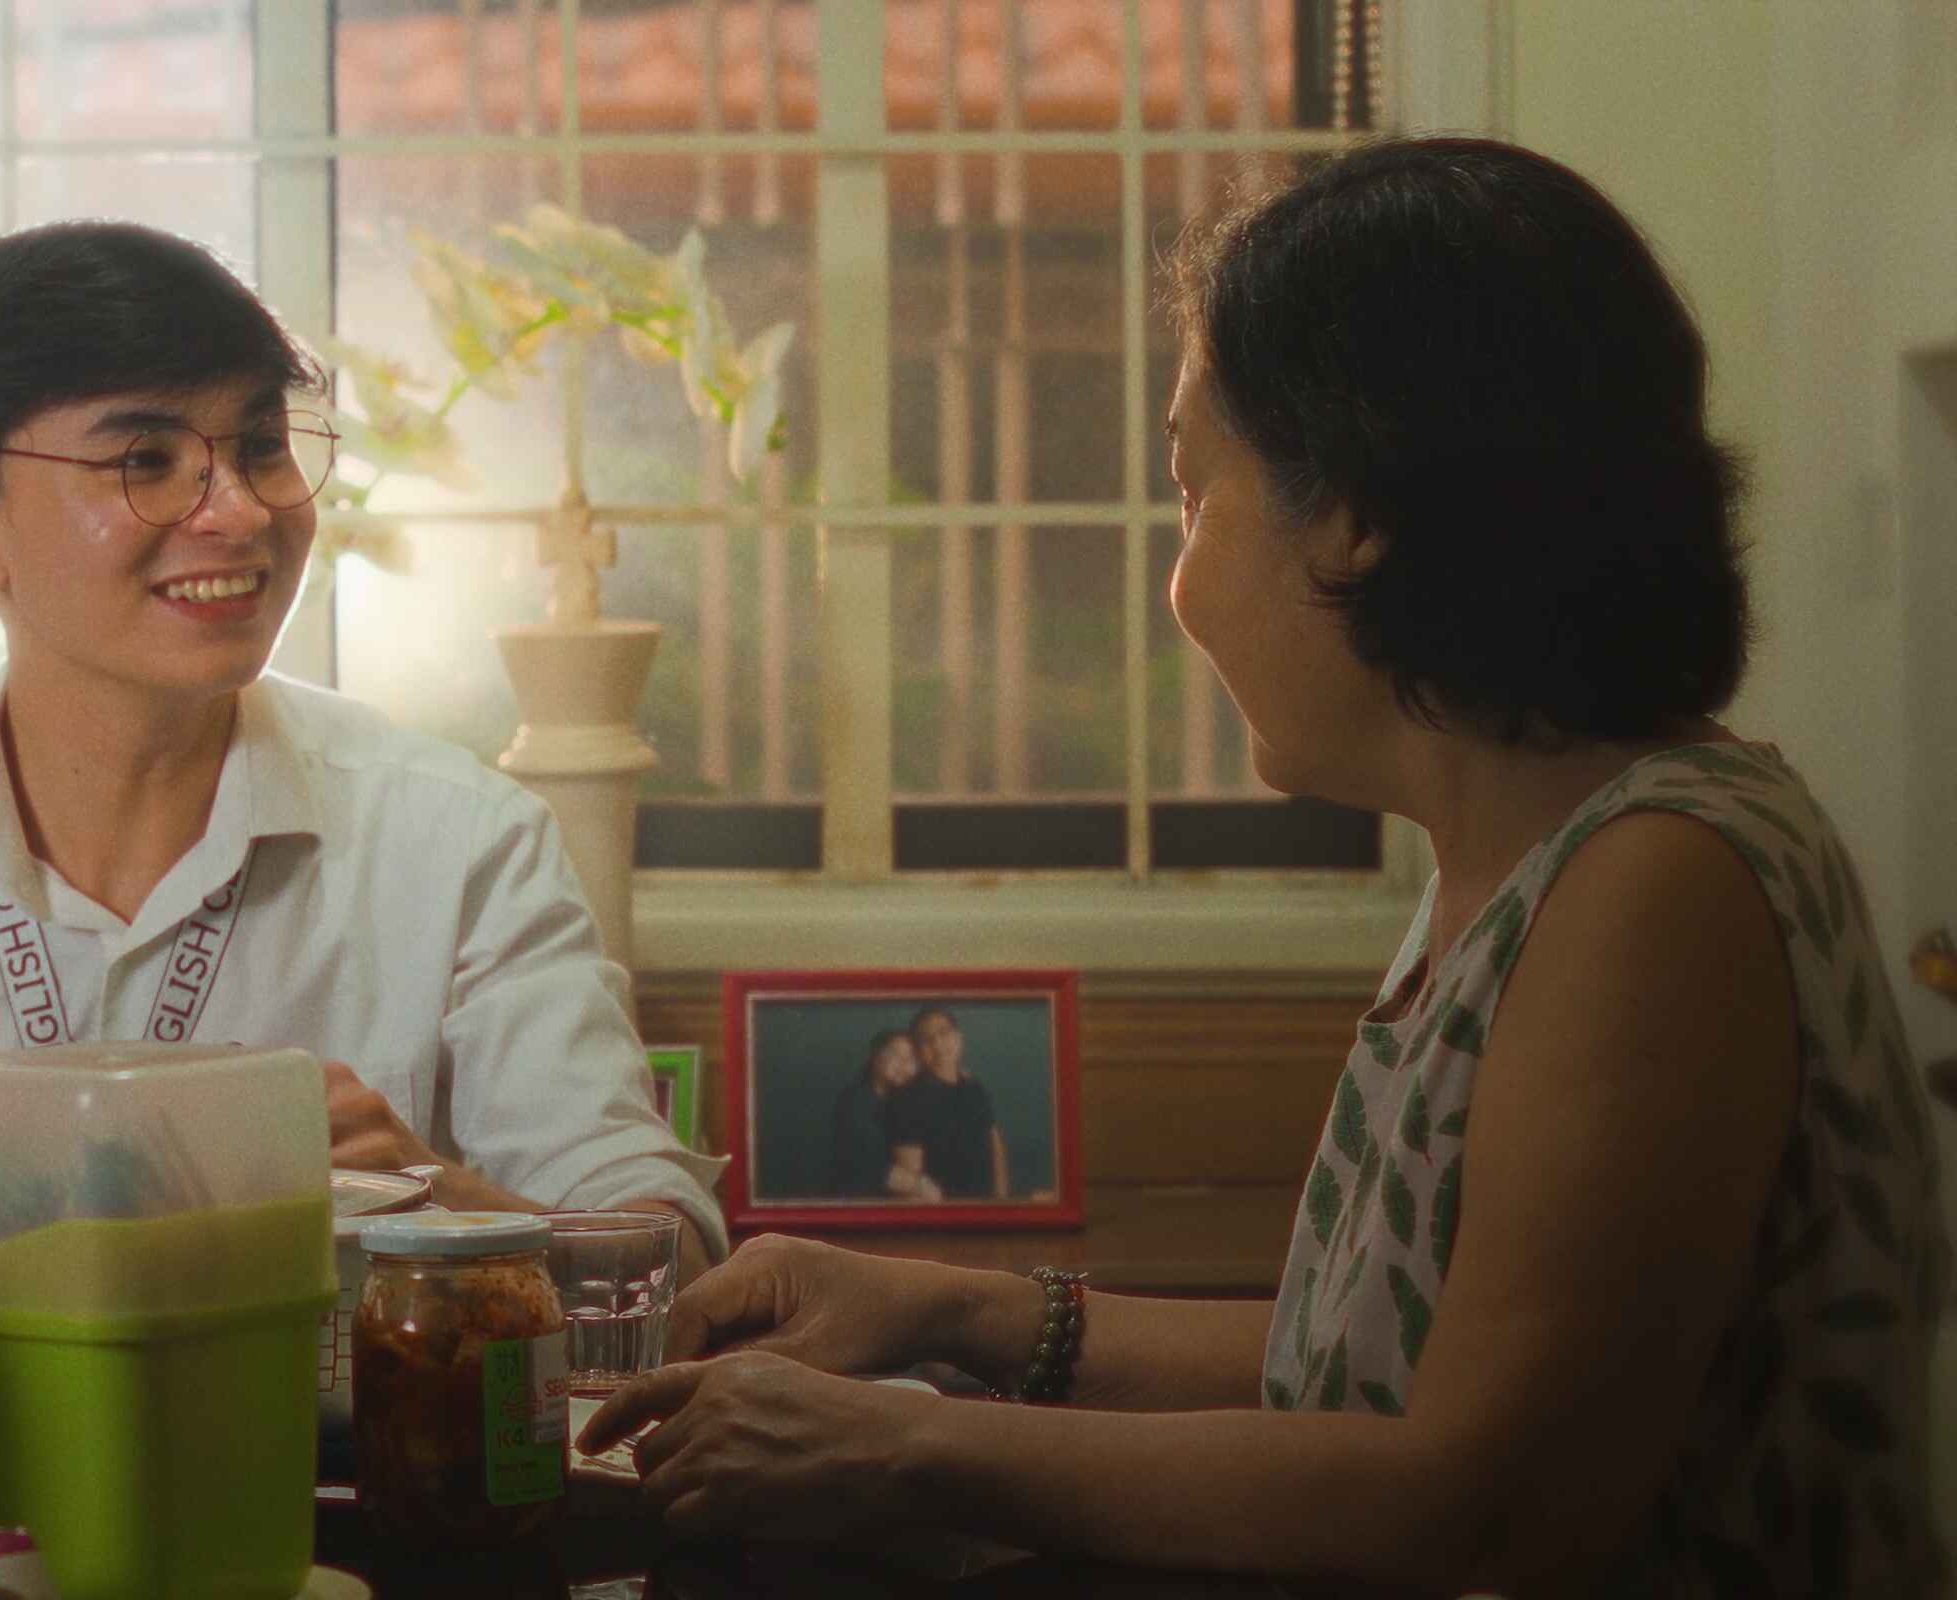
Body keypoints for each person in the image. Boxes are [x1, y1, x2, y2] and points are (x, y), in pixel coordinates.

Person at [577, 136, 1947, 1595]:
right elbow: (1361, 1368)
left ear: (1359, 511)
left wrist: (900, 1446)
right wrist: (945, 1311)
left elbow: (1479, 1499)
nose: (1179, 583)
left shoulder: (1655, 885)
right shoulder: (1532, 855)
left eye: (1193, 493)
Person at [0, 220, 727, 1268]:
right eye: (147, 459)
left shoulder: (457, 840)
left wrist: (423, 1194)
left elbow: (666, 1251)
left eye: (261, 447)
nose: (243, 513)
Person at [892, 1006, 1004, 1200]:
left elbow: (995, 1147)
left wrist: (1001, 1201)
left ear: (958, 1038)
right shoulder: (907, 1099)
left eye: (944, 1033)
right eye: (926, 1040)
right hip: (941, 1211)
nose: (937, 1045)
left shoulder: (974, 1088)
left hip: (987, 1206)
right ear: (918, 1051)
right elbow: (911, 1181)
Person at [825, 1029, 938, 1202]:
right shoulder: (855, 1101)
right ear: (875, 1057)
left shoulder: (905, 1099)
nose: (904, 1064)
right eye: (895, 1054)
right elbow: (869, 1167)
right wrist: (919, 1185)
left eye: (911, 1058)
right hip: (856, 1201)